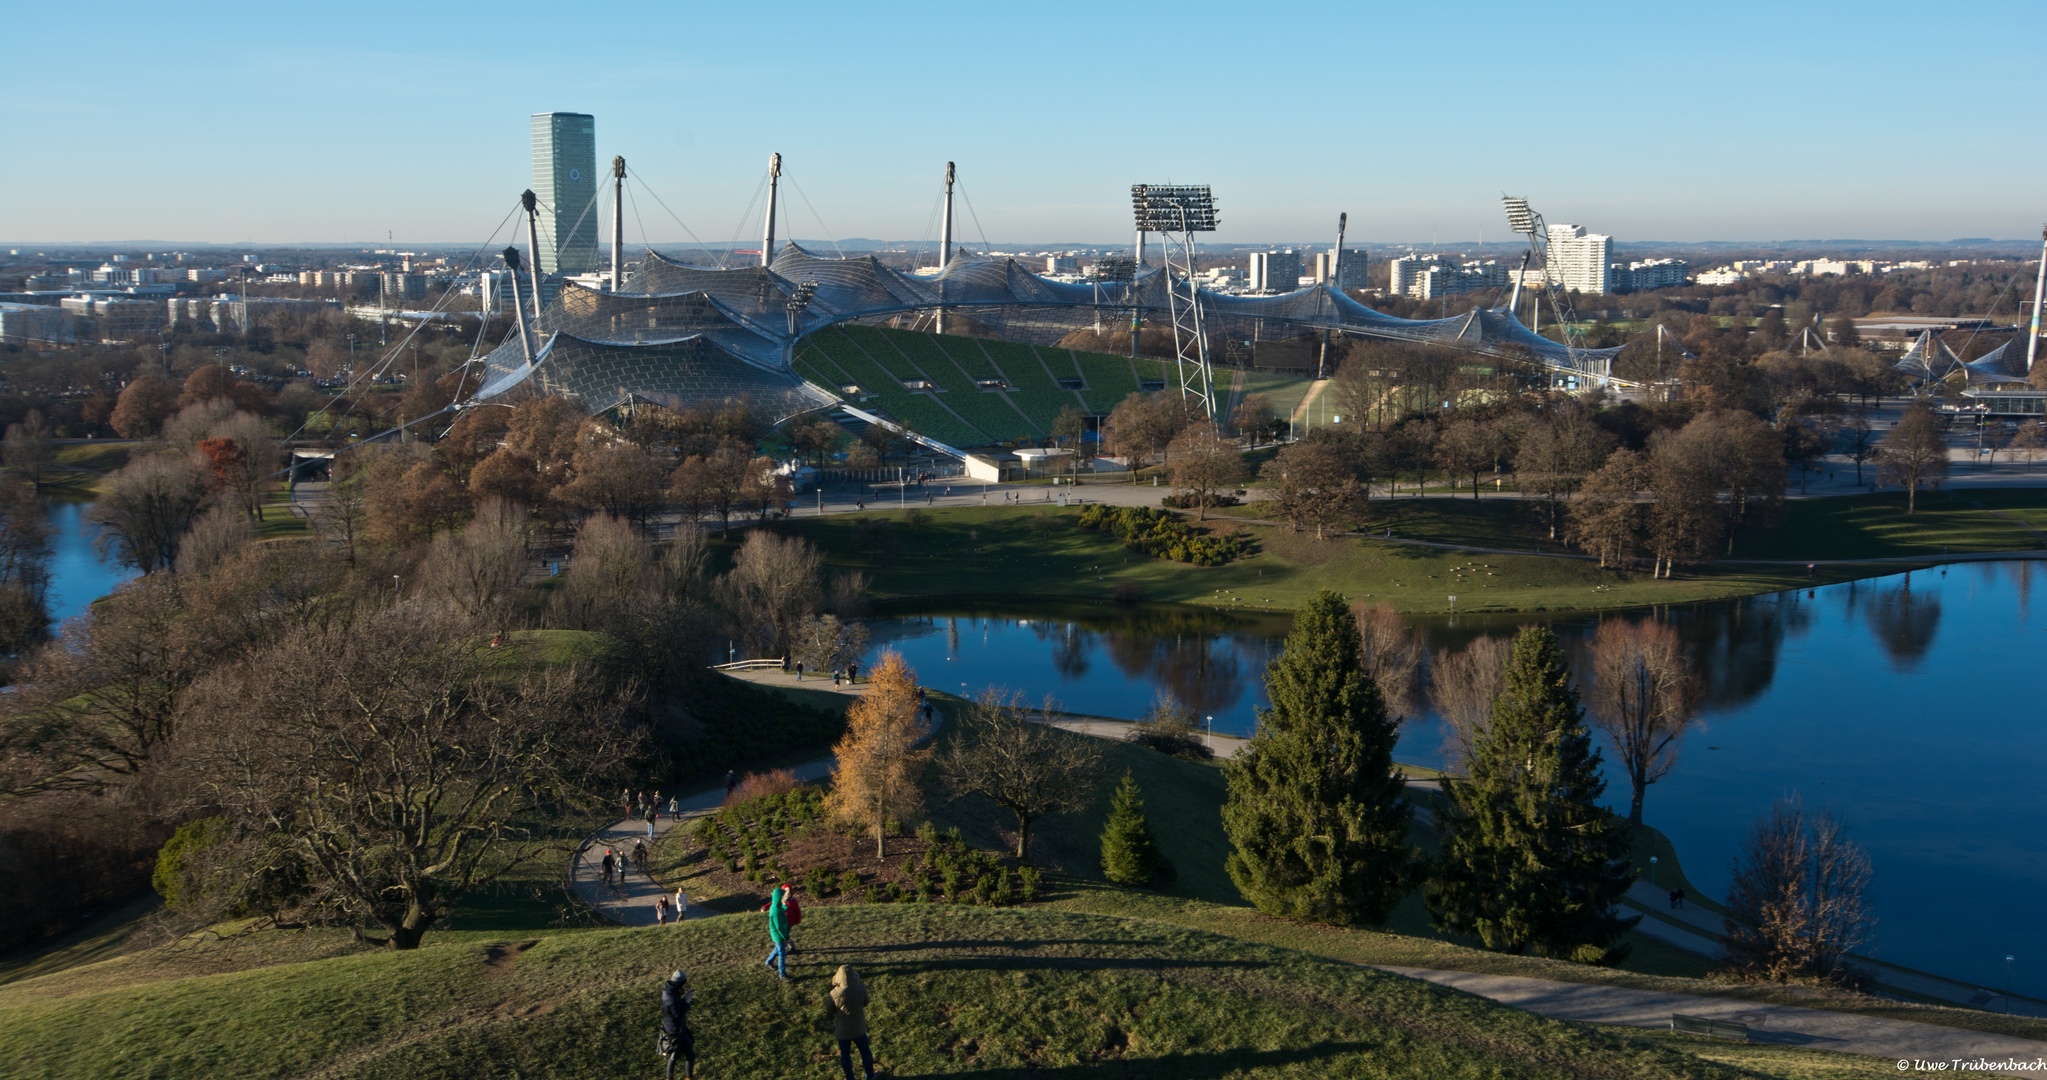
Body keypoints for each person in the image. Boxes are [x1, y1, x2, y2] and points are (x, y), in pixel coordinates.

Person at [827, 965, 875, 1080]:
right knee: (865, 1052)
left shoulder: (834, 993)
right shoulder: (861, 989)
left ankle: (850, 1077)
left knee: (845, 1055)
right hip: (859, 1029)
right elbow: (866, 1002)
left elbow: (830, 1009)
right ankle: (869, 1076)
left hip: (843, 1032)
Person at [659, 969, 696, 1080]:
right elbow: (678, 1015)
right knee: (675, 1056)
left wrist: (683, 998)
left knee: (688, 1055)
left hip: (677, 1029)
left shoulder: (670, 992)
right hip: (674, 1031)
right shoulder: (671, 998)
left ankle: (687, 1077)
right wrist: (686, 1001)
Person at [763, 884, 792, 980]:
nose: (785, 898)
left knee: (778, 948)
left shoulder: (777, 907)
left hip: (778, 935)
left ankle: (768, 962)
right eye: (783, 897)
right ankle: (782, 974)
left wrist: (784, 906)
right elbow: (779, 927)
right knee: (782, 953)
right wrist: (786, 937)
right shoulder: (776, 912)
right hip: (778, 935)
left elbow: (781, 910)